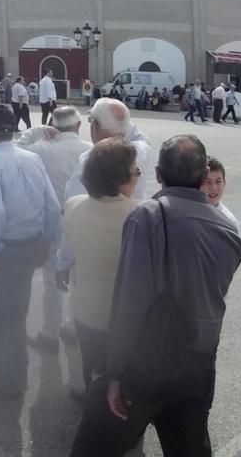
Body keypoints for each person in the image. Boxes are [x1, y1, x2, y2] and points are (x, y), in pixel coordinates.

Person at [70, 135, 241, 457]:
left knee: (93, 447)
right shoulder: (228, 228)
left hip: (146, 363)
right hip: (198, 363)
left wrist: (115, 373)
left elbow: (130, 301)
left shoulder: (147, 216)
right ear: (204, 173)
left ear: (160, 174)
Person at [0, 104, 62, 399]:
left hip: (6, 250)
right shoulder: (32, 158)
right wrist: (47, 242)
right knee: (18, 313)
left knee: (3, 316)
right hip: (31, 244)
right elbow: (52, 205)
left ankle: (6, 380)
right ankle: (19, 374)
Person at [57, 138, 138, 402]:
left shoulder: (74, 205)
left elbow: (67, 251)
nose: (138, 176)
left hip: (86, 308)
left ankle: (92, 404)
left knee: (90, 363)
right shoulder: (141, 214)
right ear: (120, 178)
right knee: (122, 373)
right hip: (125, 315)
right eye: (135, 171)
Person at [17, 106, 92, 352]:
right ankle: (73, 327)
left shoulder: (41, 149)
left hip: (52, 219)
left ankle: (49, 334)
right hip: (83, 217)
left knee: (52, 281)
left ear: (53, 126)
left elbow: (18, 146)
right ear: (79, 126)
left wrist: (38, 130)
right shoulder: (91, 151)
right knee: (80, 277)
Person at [202, 157, 239, 230]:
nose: (213, 188)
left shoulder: (229, 222)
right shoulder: (186, 212)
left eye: (218, 182)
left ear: (224, 183)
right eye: (207, 182)